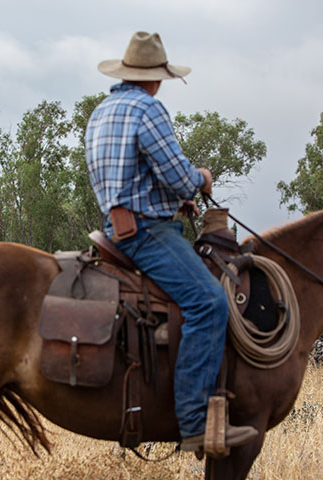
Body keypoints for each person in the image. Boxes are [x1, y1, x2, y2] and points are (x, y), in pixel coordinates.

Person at [85, 31, 258, 452]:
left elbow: (127, 179)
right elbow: (179, 176)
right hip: (146, 233)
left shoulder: (101, 112)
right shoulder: (148, 110)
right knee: (209, 303)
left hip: (115, 227)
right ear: (156, 77)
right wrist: (200, 179)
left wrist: (169, 199)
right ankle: (196, 423)